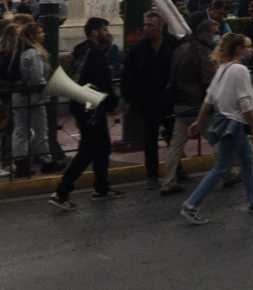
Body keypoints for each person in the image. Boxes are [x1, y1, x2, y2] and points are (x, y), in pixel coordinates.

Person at [179, 33, 253, 223]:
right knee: (222, 167)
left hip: (224, 120)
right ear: (238, 49)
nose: (251, 49)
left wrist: (199, 121)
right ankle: (191, 205)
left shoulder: (223, 68)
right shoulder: (240, 70)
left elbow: (209, 100)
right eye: (248, 46)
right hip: (235, 123)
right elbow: (245, 103)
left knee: (247, 160)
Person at [50, 18, 123, 210]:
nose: (108, 33)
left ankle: (101, 187)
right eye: (105, 29)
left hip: (82, 105)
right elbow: (103, 81)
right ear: (94, 32)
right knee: (88, 151)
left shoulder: (81, 50)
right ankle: (61, 192)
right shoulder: (96, 53)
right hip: (91, 108)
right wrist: (113, 104)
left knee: (103, 146)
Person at [160, 12, 217, 195]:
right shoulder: (203, 52)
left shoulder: (179, 50)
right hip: (198, 106)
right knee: (218, 140)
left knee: (175, 146)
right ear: (203, 31)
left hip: (180, 105)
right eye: (210, 28)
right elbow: (208, 81)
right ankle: (228, 172)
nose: (213, 31)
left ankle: (168, 181)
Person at [123, 11, 177, 189]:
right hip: (147, 101)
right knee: (150, 139)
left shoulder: (173, 45)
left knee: (173, 138)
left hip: (169, 100)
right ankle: (152, 174)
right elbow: (128, 75)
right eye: (145, 25)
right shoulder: (138, 49)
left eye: (150, 25)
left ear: (160, 27)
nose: (146, 28)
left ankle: (177, 170)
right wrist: (131, 98)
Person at [7, 20, 63, 177]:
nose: (43, 35)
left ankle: (20, 163)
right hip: (34, 97)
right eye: (40, 32)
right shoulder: (34, 53)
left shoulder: (18, 51)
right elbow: (37, 78)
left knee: (20, 130)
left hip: (18, 95)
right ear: (32, 36)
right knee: (40, 129)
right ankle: (46, 160)